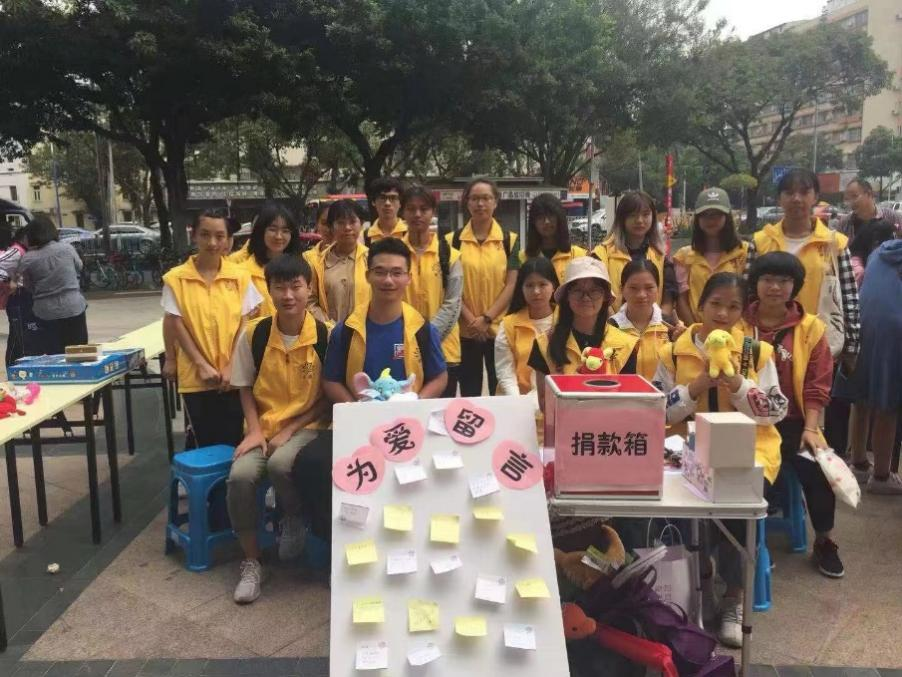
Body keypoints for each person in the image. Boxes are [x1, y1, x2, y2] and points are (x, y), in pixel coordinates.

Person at [653, 272, 787, 648]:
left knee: (735, 510)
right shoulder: (672, 352)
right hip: (683, 451)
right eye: (715, 304)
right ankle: (700, 585)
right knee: (680, 511)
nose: (723, 314)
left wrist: (740, 386)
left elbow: (776, 410)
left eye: (733, 307)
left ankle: (733, 598)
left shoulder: (754, 352)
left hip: (747, 451)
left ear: (743, 312)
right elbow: (657, 411)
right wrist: (693, 389)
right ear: (700, 305)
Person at [226, 254, 329, 603]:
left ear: (309, 289)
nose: (288, 295)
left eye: (295, 286)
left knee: (281, 463)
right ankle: (252, 562)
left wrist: (292, 428)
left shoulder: (326, 335)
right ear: (268, 290)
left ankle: (293, 516)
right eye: (280, 287)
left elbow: (327, 397)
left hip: (309, 425)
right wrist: (255, 431)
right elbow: (244, 387)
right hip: (264, 427)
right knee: (240, 477)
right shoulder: (254, 334)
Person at [745, 168, 860, 457]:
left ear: (816, 196)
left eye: (804, 191)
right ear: (779, 198)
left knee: (817, 418)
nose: (796, 198)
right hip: (765, 342)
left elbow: (848, 296)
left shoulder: (834, 243)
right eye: (789, 192)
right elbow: (747, 292)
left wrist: (852, 346)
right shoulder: (761, 241)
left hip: (819, 344)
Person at [743, 252, 842, 577]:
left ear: (795, 286)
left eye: (784, 281)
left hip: (796, 423)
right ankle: (750, 543)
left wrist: (811, 429)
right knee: (742, 475)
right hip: (748, 424)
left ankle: (825, 540)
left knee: (819, 470)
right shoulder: (739, 323)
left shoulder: (811, 328)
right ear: (755, 283)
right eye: (768, 279)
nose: (775, 287)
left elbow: (817, 385)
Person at [162, 209, 262, 448]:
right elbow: (176, 322)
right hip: (196, 376)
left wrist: (232, 366)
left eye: (220, 236)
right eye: (205, 235)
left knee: (236, 439)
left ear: (228, 239)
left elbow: (244, 323)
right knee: (204, 441)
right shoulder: (176, 279)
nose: (213, 243)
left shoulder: (240, 277)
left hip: (235, 375)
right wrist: (200, 365)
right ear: (194, 235)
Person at [323, 237, 447, 402]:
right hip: (362, 416)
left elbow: (439, 377)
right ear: (368, 276)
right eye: (380, 272)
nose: (388, 280)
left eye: (397, 273)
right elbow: (331, 380)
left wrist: (415, 403)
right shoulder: (347, 330)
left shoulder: (422, 329)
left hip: (408, 417)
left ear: (408, 278)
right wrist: (355, 409)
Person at [528, 257, 637, 412]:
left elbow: (628, 403)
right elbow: (544, 404)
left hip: (609, 425)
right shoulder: (544, 343)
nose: (586, 297)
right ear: (567, 296)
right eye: (577, 290)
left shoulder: (625, 344)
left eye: (594, 291)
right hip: (563, 424)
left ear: (605, 296)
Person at [447, 178, 520, 397]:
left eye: (486, 198)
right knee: (469, 393)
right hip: (466, 330)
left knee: (500, 390)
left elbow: (512, 284)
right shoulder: (452, 241)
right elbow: (450, 287)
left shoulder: (509, 240)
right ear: (467, 202)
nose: (480, 204)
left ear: (495, 202)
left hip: (499, 331)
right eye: (475, 198)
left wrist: (487, 319)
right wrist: (472, 321)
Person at [848, 239, 902, 494]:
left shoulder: (881, 251)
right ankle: (881, 476)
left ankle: (858, 463)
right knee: (888, 405)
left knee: (862, 398)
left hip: (863, 327)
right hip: (894, 333)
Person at [400, 185, 463, 397]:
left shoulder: (450, 255)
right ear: (403, 212)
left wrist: (426, 337)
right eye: (411, 209)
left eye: (424, 209)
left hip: (444, 350)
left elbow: (453, 304)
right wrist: (409, 337)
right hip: (402, 349)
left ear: (433, 212)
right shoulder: (395, 253)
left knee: (440, 412)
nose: (417, 214)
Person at [590, 190, 676, 317]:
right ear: (621, 218)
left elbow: (668, 298)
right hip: (612, 325)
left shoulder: (660, 256)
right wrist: (616, 323)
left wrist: (657, 322)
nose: (639, 220)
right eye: (632, 215)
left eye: (645, 214)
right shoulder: (601, 254)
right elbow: (598, 295)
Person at [674, 187, 748, 324]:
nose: (710, 220)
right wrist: (695, 330)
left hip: (735, 330)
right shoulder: (684, 256)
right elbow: (681, 299)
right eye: (705, 215)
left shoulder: (744, 252)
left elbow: (749, 296)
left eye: (716, 214)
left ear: (727, 216)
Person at [18, 215, 88, 355]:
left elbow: (28, 285)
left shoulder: (28, 258)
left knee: (54, 355)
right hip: (73, 307)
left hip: (45, 312)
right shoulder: (67, 249)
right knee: (79, 353)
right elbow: (79, 267)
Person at [495, 256, 558, 403]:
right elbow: (506, 372)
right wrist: (519, 404)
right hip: (516, 400)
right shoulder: (508, 325)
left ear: (553, 286)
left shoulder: (566, 320)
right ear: (521, 288)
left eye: (542, 284)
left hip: (556, 400)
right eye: (529, 285)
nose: (536, 291)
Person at [307, 199, 370, 326]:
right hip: (329, 333)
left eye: (352, 222)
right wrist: (328, 326)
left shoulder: (371, 259)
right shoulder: (317, 262)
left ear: (361, 224)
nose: (347, 228)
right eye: (341, 223)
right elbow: (310, 300)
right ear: (331, 227)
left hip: (366, 332)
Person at [608, 259, 670, 382]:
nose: (641, 294)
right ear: (622, 289)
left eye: (649, 288)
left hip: (663, 394)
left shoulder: (671, 327)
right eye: (633, 288)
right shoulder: (611, 327)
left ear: (658, 289)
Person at [238, 202, 303, 318]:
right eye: (272, 229)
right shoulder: (243, 273)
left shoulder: (301, 268)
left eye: (285, 231)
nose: (278, 236)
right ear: (261, 232)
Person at [520, 193, 586, 284]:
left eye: (551, 216)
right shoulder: (523, 257)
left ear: (560, 219)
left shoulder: (578, 255)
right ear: (533, 223)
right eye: (540, 217)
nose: (546, 222)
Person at [0, 224, 36, 366]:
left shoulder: (26, 251)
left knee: (26, 336)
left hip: (26, 297)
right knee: (18, 338)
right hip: (18, 298)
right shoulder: (16, 251)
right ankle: (13, 369)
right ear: (24, 237)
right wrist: (8, 280)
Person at [837, 178, 902, 241]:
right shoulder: (844, 224)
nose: (851, 202)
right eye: (848, 199)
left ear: (869, 194)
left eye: (855, 196)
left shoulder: (891, 216)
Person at [363, 177, 407, 246]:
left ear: (400, 203)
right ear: (373, 202)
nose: (387, 203)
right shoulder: (364, 236)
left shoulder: (411, 233)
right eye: (382, 198)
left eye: (393, 198)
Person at [303, 203, 333, 269]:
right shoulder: (306, 258)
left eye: (333, 223)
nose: (328, 229)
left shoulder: (355, 256)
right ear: (317, 224)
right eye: (324, 223)